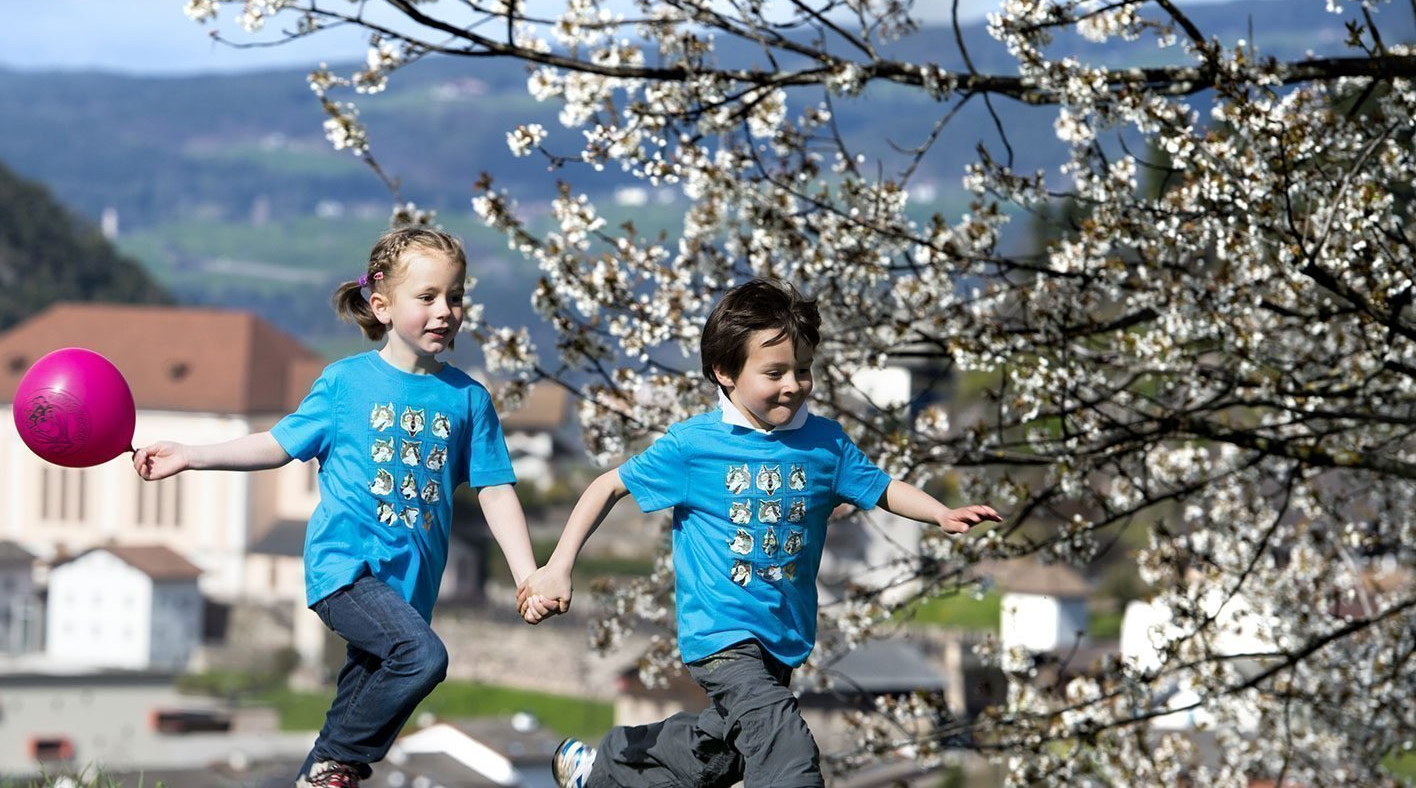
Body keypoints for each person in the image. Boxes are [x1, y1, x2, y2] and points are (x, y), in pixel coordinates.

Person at [517, 278, 1000, 788]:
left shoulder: (824, 444)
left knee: (720, 757)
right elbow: (607, 486)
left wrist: (940, 513)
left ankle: (605, 770)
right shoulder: (694, 446)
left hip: (783, 635)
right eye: (775, 372)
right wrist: (558, 567)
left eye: (803, 370)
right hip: (721, 637)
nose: (793, 384)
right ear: (725, 373)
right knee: (785, 747)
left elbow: (880, 487)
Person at [134, 226, 551, 788]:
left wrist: (526, 574)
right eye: (426, 297)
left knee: (359, 698)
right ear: (381, 305)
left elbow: (496, 490)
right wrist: (191, 454)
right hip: (344, 571)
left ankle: (321, 774)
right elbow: (276, 445)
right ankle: (343, 764)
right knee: (422, 658)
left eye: (455, 296)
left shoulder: (468, 398)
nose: (445, 311)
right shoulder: (344, 384)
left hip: (410, 587)